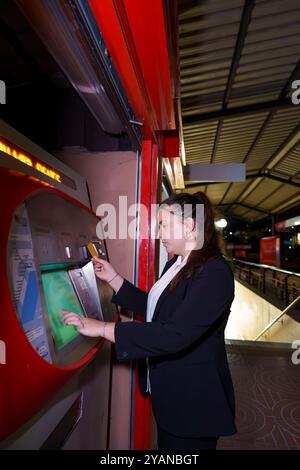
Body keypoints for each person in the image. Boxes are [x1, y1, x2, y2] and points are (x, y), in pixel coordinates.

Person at [61, 192, 236, 450]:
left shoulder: (215, 273)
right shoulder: (176, 265)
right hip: (172, 398)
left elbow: (174, 333)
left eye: (164, 224)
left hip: (193, 406)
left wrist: (102, 328)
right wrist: (114, 278)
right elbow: (155, 309)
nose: (159, 232)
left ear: (189, 226)